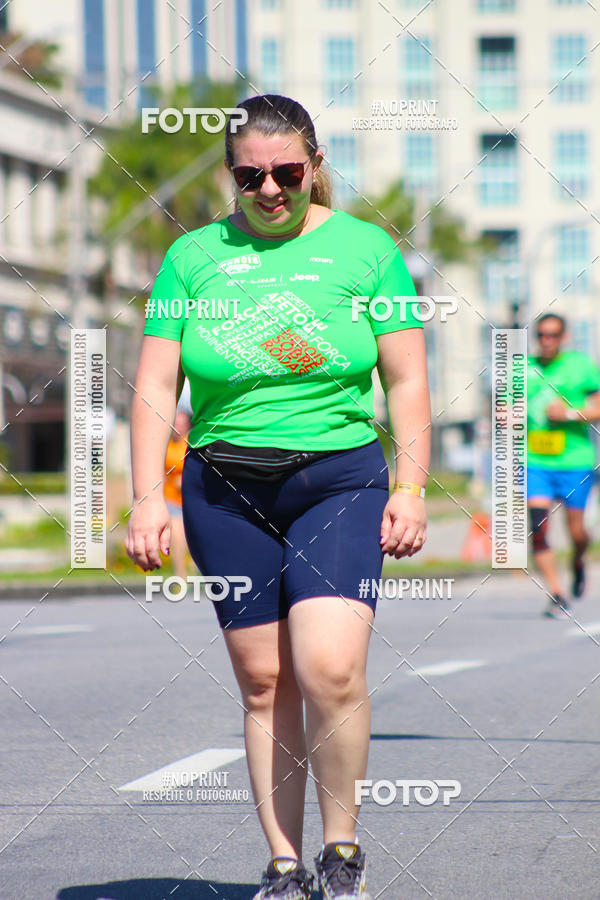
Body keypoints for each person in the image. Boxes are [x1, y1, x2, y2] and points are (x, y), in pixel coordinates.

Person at [126, 93, 430, 900]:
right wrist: (145, 498)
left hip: (338, 476)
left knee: (328, 667)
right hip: (223, 487)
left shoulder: (367, 251)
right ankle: (285, 864)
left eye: (287, 172)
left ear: (315, 166)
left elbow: (406, 378)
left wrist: (411, 486)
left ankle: (342, 851)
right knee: (264, 682)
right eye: (250, 175)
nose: (269, 189)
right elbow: (157, 386)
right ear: (232, 176)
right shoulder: (192, 258)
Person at [527, 313, 600, 617]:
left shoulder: (580, 365)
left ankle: (579, 560)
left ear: (563, 337)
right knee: (539, 528)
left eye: (554, 335)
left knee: (576, 531)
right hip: (534, 461)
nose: (547, 340)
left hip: (574, 460)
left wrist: (569, 414)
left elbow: (597, 408)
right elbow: (503, 407)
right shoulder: (522, 369)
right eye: (542, 335)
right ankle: (557, 593)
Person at [163, 408, 192, 580]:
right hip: (171, 500)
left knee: (193, 541)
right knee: (177, 540)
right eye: (176, 423)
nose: (178, 427)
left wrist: (185, 480)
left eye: (182, 423)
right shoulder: (166, 444)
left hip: (189, 500)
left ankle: (198, 572)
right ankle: (181, 577)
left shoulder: (191, 443)